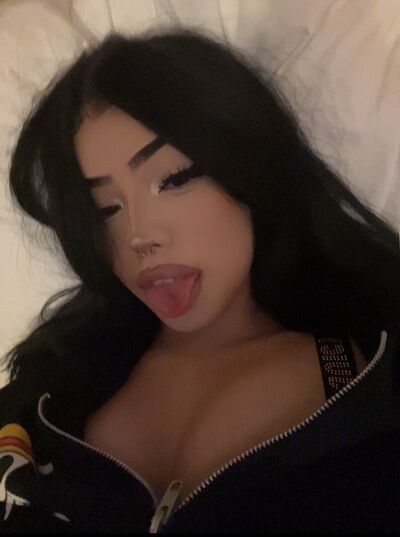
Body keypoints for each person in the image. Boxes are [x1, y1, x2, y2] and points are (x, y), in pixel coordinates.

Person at [1, 26, 400, 533]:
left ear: (249, 166)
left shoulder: (357, 374)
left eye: (174, 179)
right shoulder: (50, 384)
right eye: (104, 208)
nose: (140, 235)